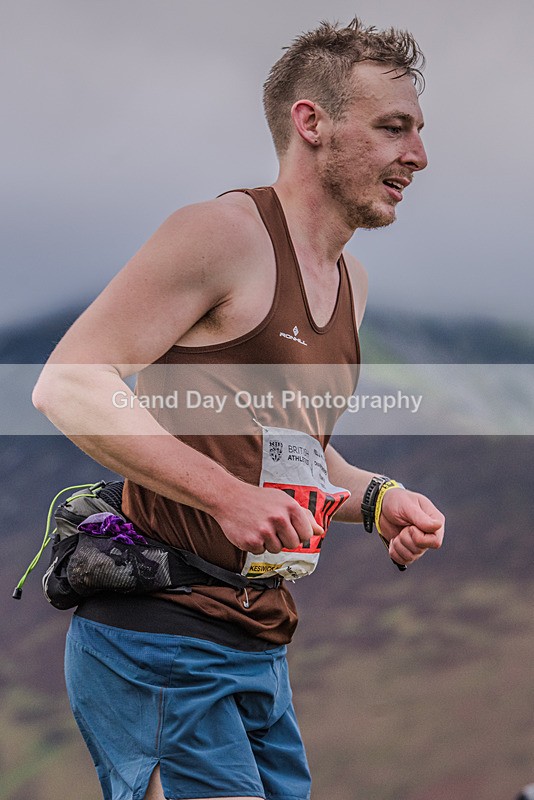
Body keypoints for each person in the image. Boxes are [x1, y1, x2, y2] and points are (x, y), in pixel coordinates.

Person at [33, 17, 445, 800]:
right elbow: (69, 383)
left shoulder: (351, 285)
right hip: (158, 640)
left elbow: (286, 453)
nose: (419, 156)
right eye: (394, 128)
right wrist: (225, 497)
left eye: (419, 132)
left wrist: (378, 499)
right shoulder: (219, 235)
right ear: (311, 122)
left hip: (258, 642)